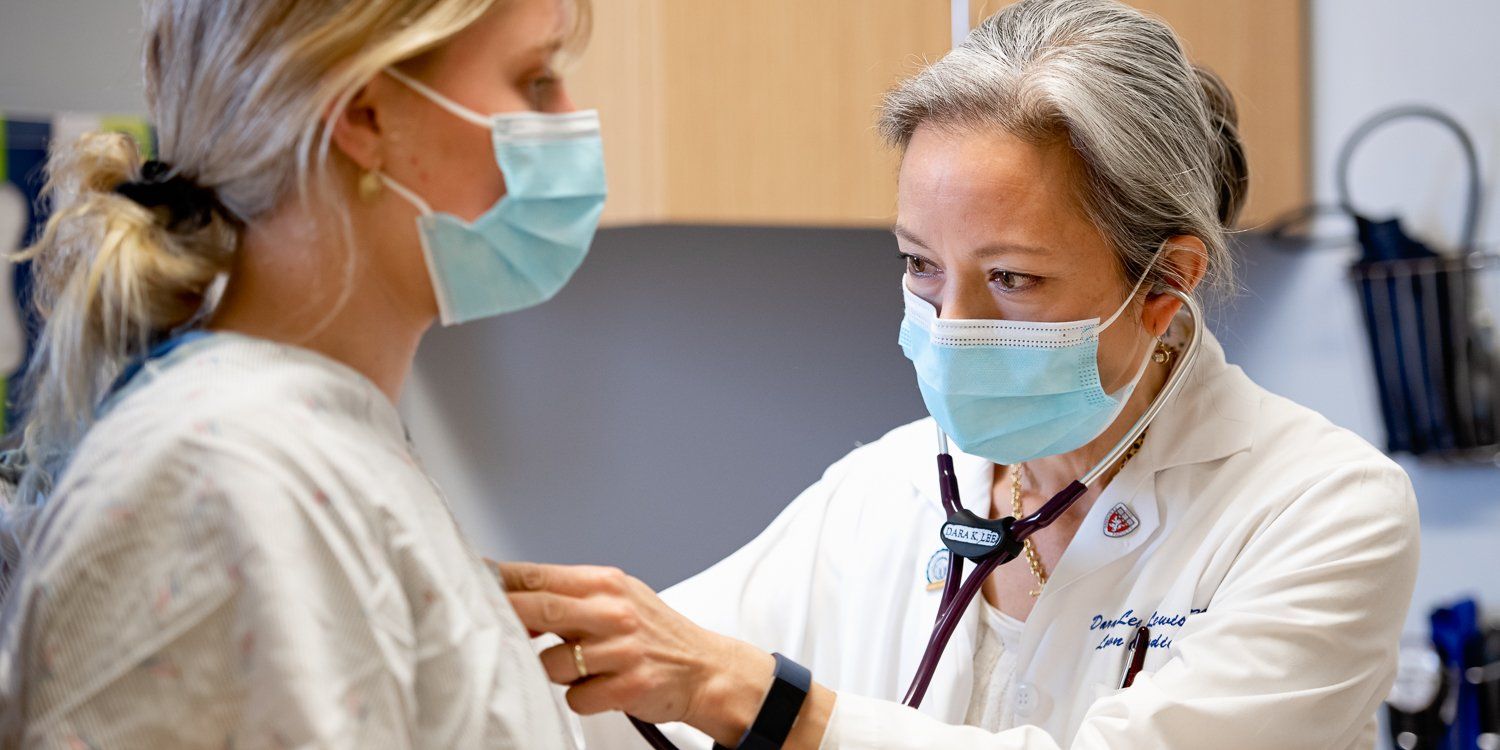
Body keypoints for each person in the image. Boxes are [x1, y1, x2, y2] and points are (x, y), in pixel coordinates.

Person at [498, 1, 1422, 748]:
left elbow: (728, 685)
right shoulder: (886, 487)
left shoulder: (1322, 509)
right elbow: (630, 703)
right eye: (919, 266)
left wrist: (774, 705)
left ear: (1165, 282)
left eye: (1013, 278)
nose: (952, 326)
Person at [0, 0, 602, 746]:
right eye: (535, 82)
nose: (574, 118)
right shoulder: (222, 473)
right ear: (366, 118)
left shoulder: (325, 439)